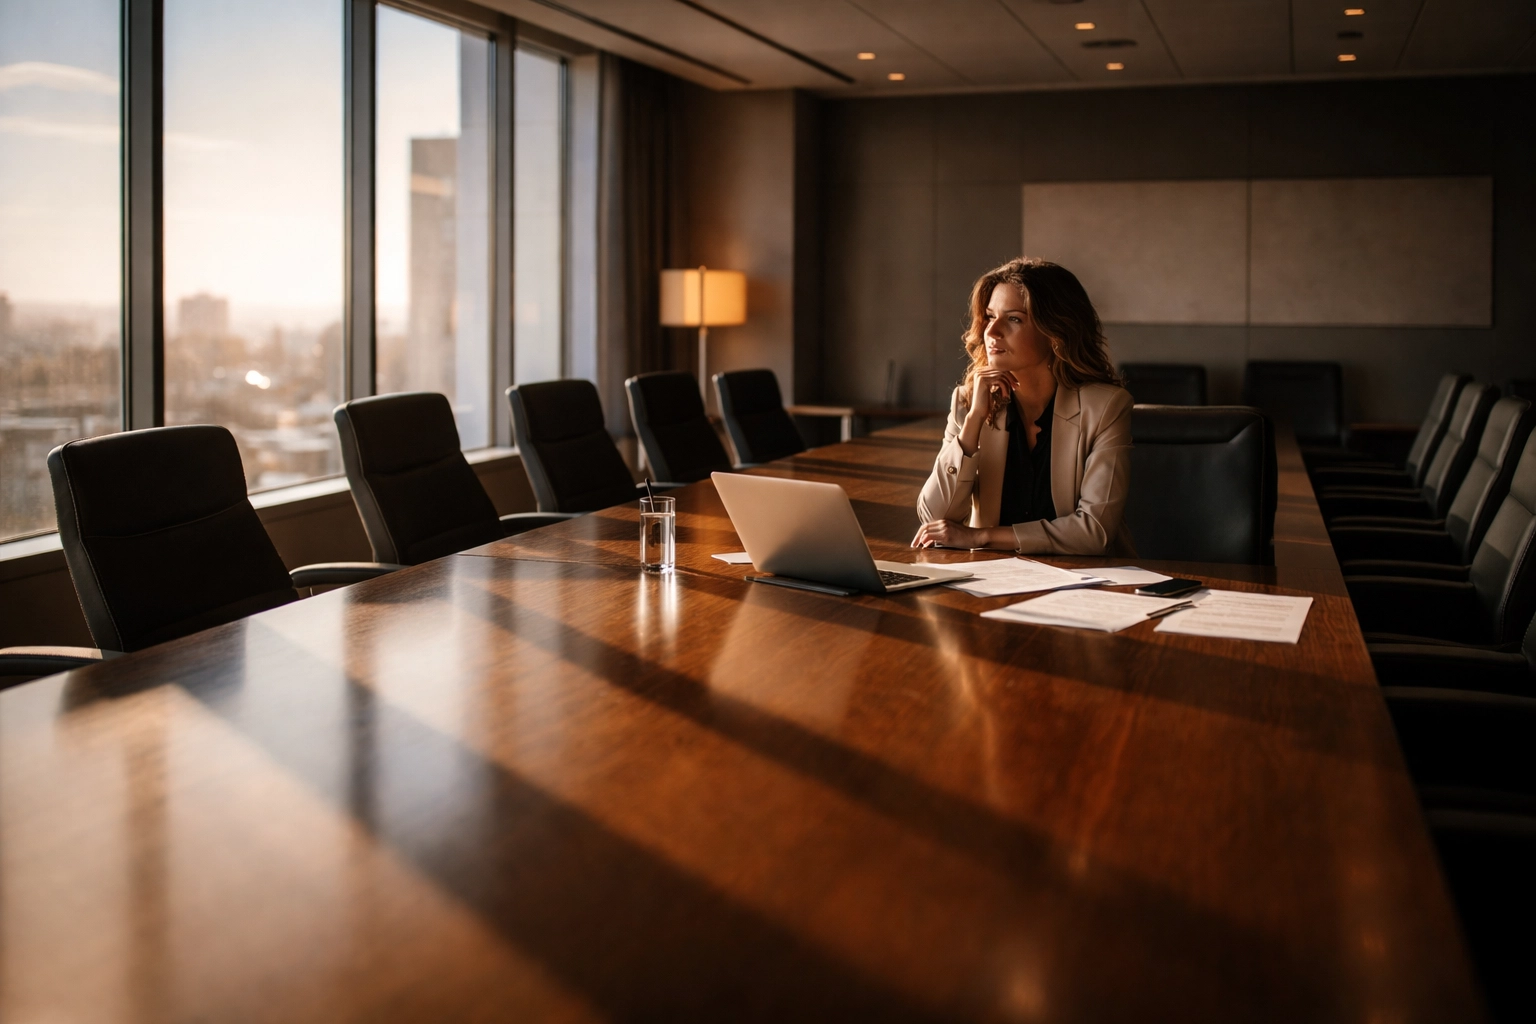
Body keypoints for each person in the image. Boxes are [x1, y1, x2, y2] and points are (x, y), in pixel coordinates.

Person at [913, 257, 1135, 556]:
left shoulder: (1106, 407)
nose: (991, 333)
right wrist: (975, 420)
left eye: (1014, 319)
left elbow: (1093, 532)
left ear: (1055, 332)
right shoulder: (969, 402)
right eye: (990, 317)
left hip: (1085, 581)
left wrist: (981, 537)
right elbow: (934, 517)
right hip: (994, 580)